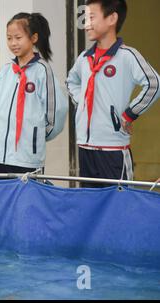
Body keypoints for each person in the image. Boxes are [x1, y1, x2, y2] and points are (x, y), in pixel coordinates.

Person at [66, 0, 159, 187]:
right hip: (85, 148)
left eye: (92, 17)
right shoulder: (84, 59)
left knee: (119, 208)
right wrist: (82, 101)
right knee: (91, 207)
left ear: (112, 18)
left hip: (113, 150)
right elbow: (71, 81)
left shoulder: (127, 56)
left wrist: (129, 114)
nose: (86, 24)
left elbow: (154, 84)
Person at [0, 13, 67, 175]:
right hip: (2, 156)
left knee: (28, 199)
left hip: (28, 157)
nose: (13, 43)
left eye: (18, 37)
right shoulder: (5, 71)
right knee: (6, 199)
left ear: (33, 38)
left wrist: (36, 136)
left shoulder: (42, 71)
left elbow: (56, 113)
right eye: (9, 38)